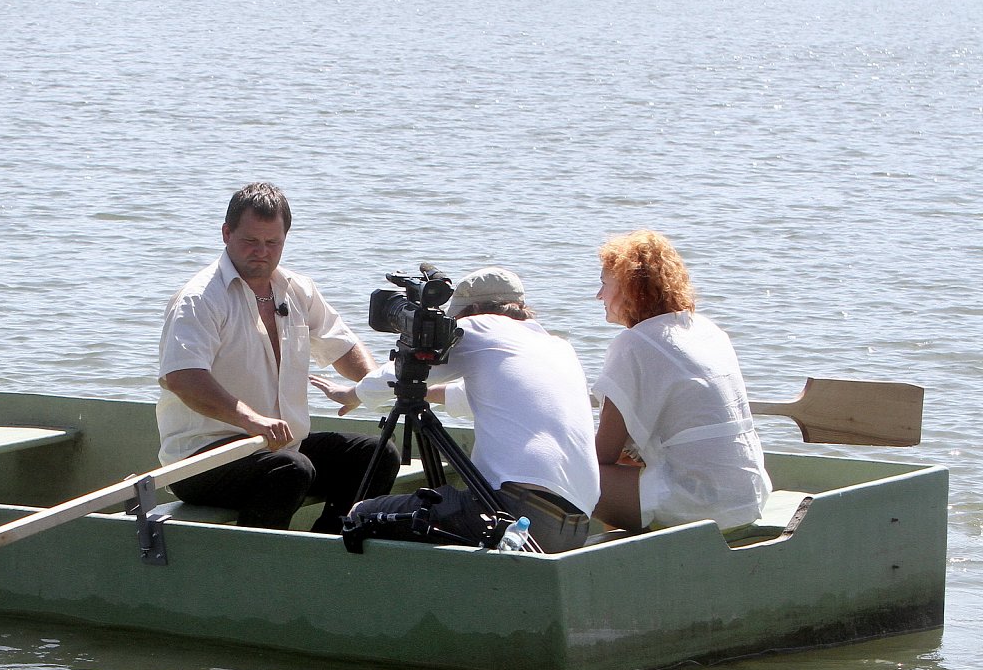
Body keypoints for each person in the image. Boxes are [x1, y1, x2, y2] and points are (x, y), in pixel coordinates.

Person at [156, 182, 400, 531]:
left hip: (281, 447)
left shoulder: (298, 289)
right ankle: (256, 568)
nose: (262, 252)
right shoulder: (199, 298)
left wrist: (371, 385)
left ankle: (329, 551)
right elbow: (183, 378)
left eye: (273, 243)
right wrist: (250, 419)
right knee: (290, 469)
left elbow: (341, 345)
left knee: (377, 454)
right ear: (226, 233)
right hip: (201, 460)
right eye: (250, 241)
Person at [327, 267, 599, 553]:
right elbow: (485, 397)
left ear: (476, 309)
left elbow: (398, 372)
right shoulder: (557, 346)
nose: (453, 325)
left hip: (513, 513)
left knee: (361, 516)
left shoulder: (480, 325)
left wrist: (354, 393)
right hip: (574, 526)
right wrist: (425, 394)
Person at [592, 230, 771, 532]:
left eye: (604, 285)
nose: (598, 296)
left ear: (629, 289)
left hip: (698, 503)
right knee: (627, 461)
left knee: (561, 472)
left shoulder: (633, 344)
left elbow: (601, 454)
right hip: (748, 496)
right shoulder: (707, 330)